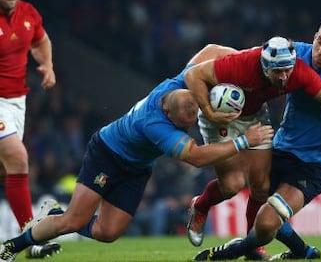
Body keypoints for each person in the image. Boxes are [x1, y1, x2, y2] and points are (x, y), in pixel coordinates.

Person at [0, 44, 274, 262]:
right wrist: (243, 141)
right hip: (107, 154)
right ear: (169, 114)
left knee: (107, 233)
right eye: (184, 124)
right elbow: (197, 157)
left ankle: (55, 214)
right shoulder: (155, 125)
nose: (189, 126)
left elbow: (211, 49)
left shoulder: (182, 84)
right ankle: (11, 247)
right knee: (75, 220)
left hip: (137, 167)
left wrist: (243, 60)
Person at [192, 18, 321, 261]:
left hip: (316, 162)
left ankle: (232, 251)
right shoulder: (295, 54)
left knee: (269, 219)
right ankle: (299, 252)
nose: (320, 51)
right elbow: (246, 57)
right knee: (254, 190)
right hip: (283, 147)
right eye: (319, 42)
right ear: (314, 37)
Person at [0, 0, 61, 259]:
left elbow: (41, 40)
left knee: (7, 169)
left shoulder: (28, 13)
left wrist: (47, 65)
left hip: (16, 102)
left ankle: (23, 242)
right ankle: (30, 238)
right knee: (18, 157)